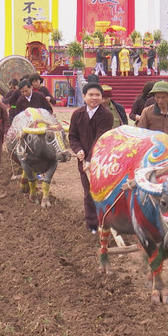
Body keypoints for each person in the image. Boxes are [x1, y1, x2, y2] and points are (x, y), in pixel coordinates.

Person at [68, 83, 114, 233]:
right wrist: (78, 150)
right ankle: (92, 225)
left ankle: (108, 222)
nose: (94, 98)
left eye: (97, 95)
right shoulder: (77, 114)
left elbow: (100, 138)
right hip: (83, 160)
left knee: (104, 190)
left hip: (101, 160)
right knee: (88, 191)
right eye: (91, 95)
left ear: (101, 97)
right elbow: (73, 136)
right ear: (84, 97)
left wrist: (90, 159)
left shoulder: (107, 116)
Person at [137, 80, 168, 148]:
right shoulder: (147, 112)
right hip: (153, 152)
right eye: (157, 97)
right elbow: (141, 134)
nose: (160, 101)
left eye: (163, 97)